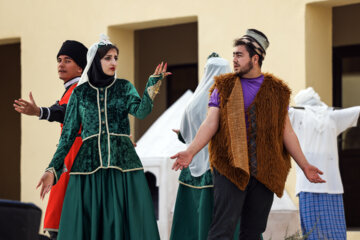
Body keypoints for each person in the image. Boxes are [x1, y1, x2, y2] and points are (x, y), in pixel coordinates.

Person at [171, 29, 325, 240]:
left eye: (239, 55)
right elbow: (210, 123)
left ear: (255, 58)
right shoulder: (222, 87)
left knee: (253, 231)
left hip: (264, 170)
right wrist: (190, 152)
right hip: (229, 168)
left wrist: (305, 165)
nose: (234, 59)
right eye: (233, 54)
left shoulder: (277, 91)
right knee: (221, 230)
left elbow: (286, 132)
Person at [36, 34, 170, 239]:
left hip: (123, 166)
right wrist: (52, 168)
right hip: (89, 170)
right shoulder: (80, 94)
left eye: (115, 57)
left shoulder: (124, 87)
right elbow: (68, 136)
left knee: (125, 225)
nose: (113, 62)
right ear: (96, 61)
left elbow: (141, 111)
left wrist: (152, 86)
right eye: (108, 58)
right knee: (91, 228)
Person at [13, 40, 87, 239]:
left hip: (77, 160)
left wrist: (38, 111)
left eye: (68, 60)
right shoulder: (72, 90)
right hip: (69, 158)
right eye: (59, 60)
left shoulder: (80, 91)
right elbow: (60, 109)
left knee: (70, 222)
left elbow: (63, 112)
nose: (61, 65)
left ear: (81, 67)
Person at [170, 53, 240, 240]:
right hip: (222, 170)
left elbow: (186, 136)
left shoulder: (192, 104)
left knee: (194, 222)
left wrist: (180, 134)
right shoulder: (231, 100)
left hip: (192, 172)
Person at [289, 87, 360, 240]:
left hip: (328, 184)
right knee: (321, 232)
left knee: (321, 232)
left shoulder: (331, 115)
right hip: (311, 184)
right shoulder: (296, 114)